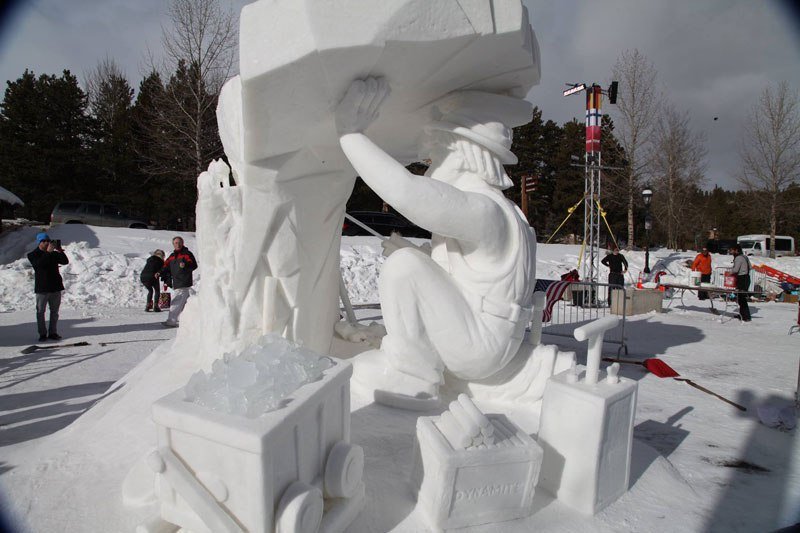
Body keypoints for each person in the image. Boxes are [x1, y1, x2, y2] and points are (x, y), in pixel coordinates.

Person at [335, 78, 536, 409]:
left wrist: (351, 135)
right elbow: (467, 281)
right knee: (409, 261)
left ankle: (412, 377)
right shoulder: (499, 210)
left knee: (403, 267)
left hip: (480, 346)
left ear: (462, 153)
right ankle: (415, 363)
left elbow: (407, 193)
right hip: (486, 335)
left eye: (435, 155)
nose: (429, 167)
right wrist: (421, 256)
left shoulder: (485, 210)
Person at [27, 232, 69, 341]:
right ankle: (42, 334)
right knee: (41, 312)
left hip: (55, 287)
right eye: (44, 241)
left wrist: (59, 250)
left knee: (54, 312)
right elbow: (39, 265)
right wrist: (48, 253)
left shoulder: (53, 254)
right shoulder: (33, 254)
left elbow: (65, 261)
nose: (46, 243)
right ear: (39, 242)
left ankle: (53, 332)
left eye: (47, 241)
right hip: (42, 288)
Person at [160, 236, 198, 327]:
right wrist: (159, 272)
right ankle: (189, 320)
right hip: (176, 282)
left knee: (176, 301)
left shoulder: (187, 254)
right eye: (176, 243)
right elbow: (165, 266)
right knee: (186, 302)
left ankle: (171, 321)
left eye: (179, 242)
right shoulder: (172, 256)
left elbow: (194, 265)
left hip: (183, 282)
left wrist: (185, 265)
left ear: (183, 243)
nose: (178, 244)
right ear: (173, 244)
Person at [728, 244, 751, 322]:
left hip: (742, 278)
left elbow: (735, 270)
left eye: (732, 250)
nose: (731, 252)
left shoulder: (738, 258)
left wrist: (729, 272)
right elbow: (750, 267)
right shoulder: (745, 257)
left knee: (741, 298)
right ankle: (742, 314)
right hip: (747, 277)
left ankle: (746, 316)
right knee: (741, 297)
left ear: (736, 250)